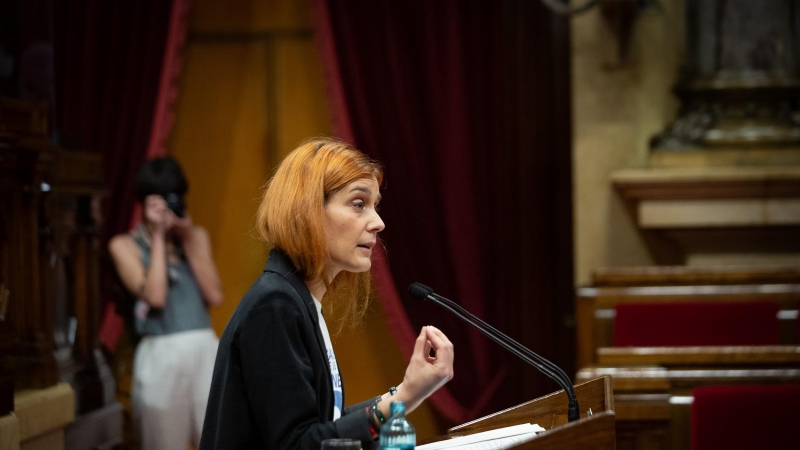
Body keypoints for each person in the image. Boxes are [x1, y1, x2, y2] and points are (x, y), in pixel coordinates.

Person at [199, 138, 454, 449]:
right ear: (308, 211)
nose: (378, 222)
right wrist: (403, 399)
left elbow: (322, 427)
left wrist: (402, 391)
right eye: (359, 204)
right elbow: (298, 444)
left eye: (375, 206)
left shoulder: (297, 299)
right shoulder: (275, 304)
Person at [108, 156, 223, 450]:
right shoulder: (124, 245)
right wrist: (158, 237)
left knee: (218, 439)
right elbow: (156, 296)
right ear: (144, 204)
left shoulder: (195, 237)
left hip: (205, 351)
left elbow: (215, 296)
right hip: (160, 356)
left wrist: (186, 238)